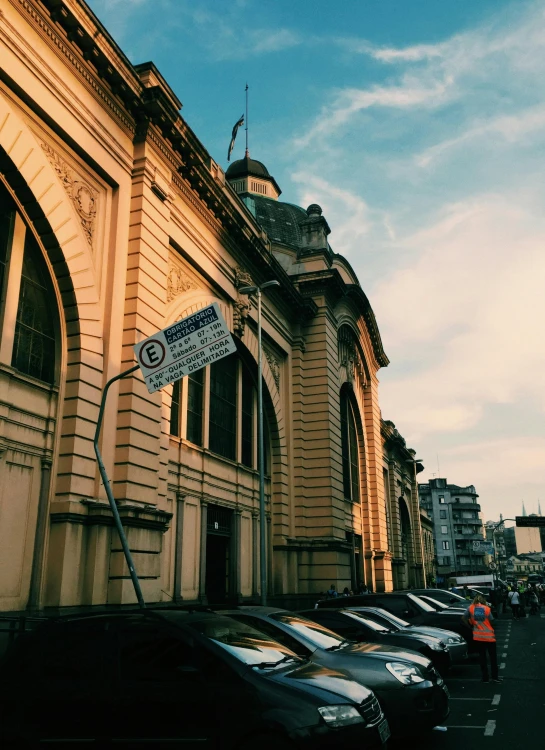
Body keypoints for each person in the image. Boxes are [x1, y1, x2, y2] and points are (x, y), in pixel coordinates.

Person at [462, 595, 503, 684]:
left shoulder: (470, 608)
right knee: (493, 658)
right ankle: (495, 677)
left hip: (478, 637)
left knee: (482, 658)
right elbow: (492, 620)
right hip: (489, 637)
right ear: (483, 601)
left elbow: (463, 618)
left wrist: (470, 626)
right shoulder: (486, 609)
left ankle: (485, 678)